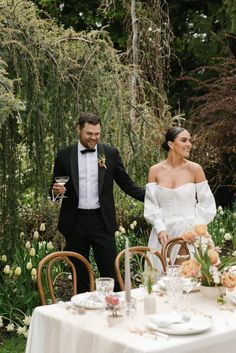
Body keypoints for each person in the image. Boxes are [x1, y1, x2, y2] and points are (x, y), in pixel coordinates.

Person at [52, 112, 145, 293]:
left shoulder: (109, 153)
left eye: (97, 134)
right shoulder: (64, 156)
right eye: (89, 134)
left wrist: (155, 196)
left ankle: (115, 313)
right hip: (74, 222)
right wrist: (56, 192)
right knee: (79, 275)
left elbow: (127, 184)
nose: (93, 138)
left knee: (111, 272)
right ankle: (84, 317)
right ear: (78, 129)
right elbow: (55, 189)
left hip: (102, 222)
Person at [144, 126, 216, 270]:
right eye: (184, 140)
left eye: (189, 140)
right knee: (162, 281)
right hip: (163, 235)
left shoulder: (195, 169)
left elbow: (207, 203)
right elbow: (151, 205)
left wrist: (195, 228)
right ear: (171, 144)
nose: (189, 144)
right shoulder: (155, 171)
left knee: (190, 278)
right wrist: (160, 228)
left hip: (190, 234)